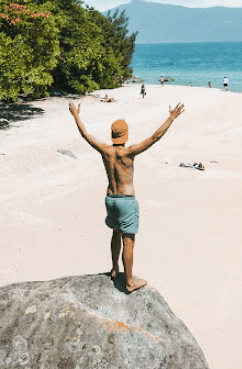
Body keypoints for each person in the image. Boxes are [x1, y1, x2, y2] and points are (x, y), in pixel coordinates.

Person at [69, 101, 184, 293]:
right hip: (125, 201)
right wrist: (171, 118)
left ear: (112, 134)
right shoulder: (128, 152)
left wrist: (76, 116)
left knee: (116, 232)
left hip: (110, 199)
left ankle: (115, 269)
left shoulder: (105, 150)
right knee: (128, 241)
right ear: (126, 134)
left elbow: (86, 135)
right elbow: (154, 137)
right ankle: (129, 281)